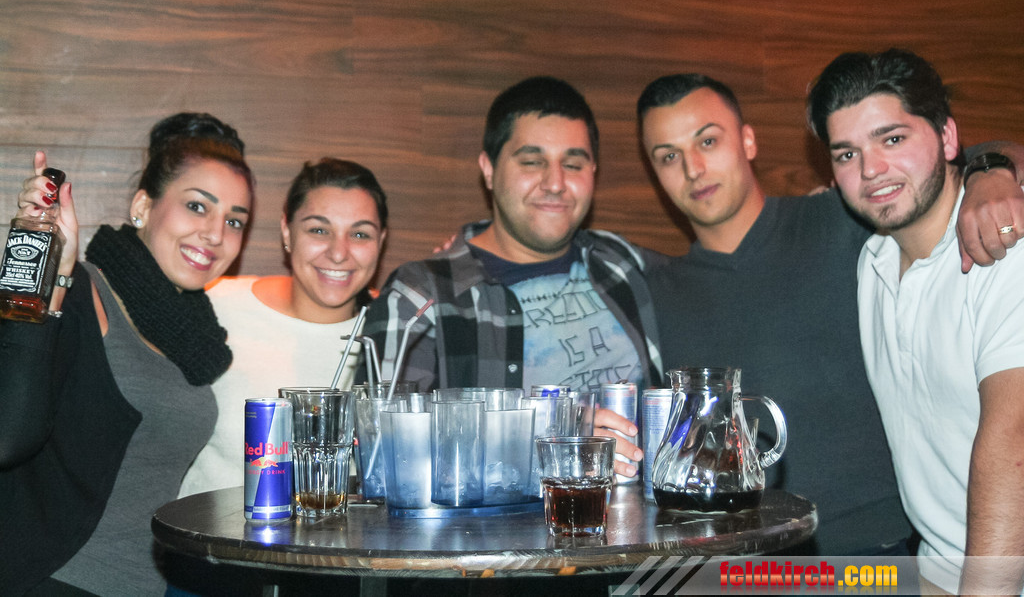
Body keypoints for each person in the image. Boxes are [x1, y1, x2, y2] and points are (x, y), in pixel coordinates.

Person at [639, 73, 1024, 556]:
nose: (693, 169)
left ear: (748, 141)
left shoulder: (846, 218)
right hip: (745, 570)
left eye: (708, 141)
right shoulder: (654, 292)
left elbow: (935, 162)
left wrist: (991, 172)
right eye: (668, 156)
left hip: (882, 560)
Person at [0, 112, 254, 595]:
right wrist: (44, 264)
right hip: (51, 580)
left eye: (234, 220)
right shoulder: (81, 288)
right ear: (143, 205)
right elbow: (7, 436)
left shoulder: (197, 337)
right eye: (197, 206)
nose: (216, 233)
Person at [364, 76, 665, 477]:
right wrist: (555, 435)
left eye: (573, 164)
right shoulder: (422, 296)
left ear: (594, 172)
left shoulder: (623, 263)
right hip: (511, 519)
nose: (555, 183)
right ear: (488, 170)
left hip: (646, 513)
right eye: (532, 162)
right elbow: (381, 454)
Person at [807, 49, 1024, 594]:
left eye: (893, 139)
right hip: (936, 572)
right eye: (847, 153)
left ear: (948, 138)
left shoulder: (1004, 248)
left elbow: (1015, 441)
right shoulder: (872, 261)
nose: (871, 170)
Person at [179, 158, 388, 497]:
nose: (339, 253)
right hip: (201, 529)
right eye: (319, 230)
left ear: (381, 242)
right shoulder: (214, 304)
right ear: (287, 232)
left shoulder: (394, 330)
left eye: (360, 234)